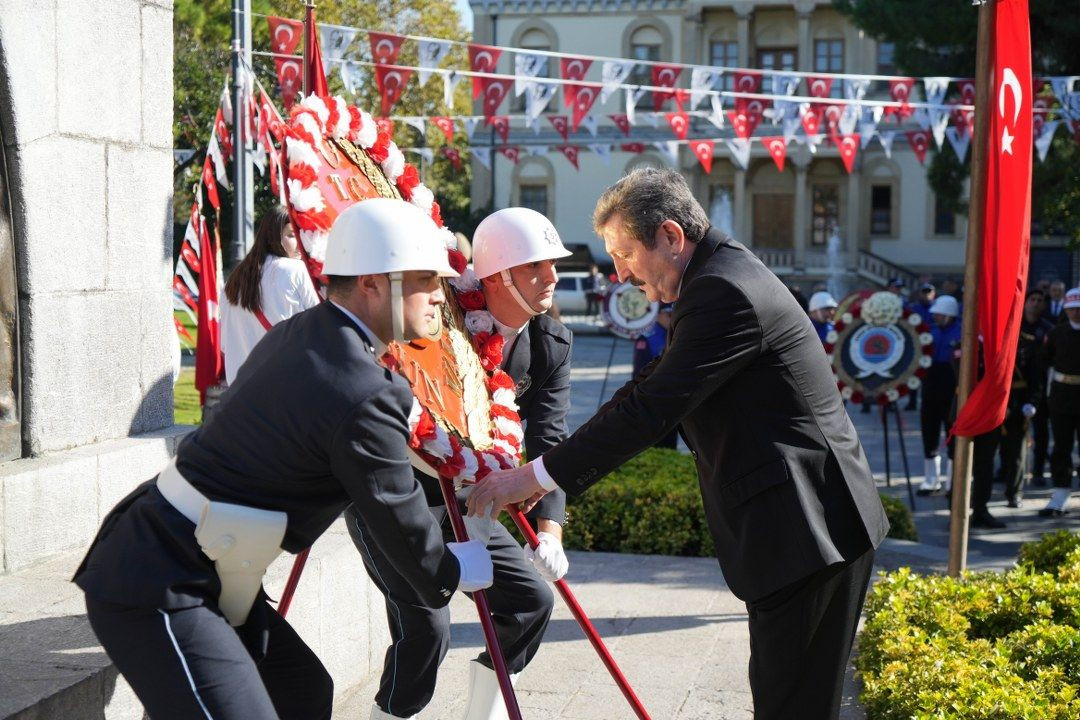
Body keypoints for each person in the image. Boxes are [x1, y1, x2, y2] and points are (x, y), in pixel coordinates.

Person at [467, 168, 889, 720]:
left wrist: (531, 477)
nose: (618, 272)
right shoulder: (716, 276)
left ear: (669, 236)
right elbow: (649, 388)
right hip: (798, 529)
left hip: (810, 529)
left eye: (623, 253)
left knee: (794, 705)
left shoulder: (723, 289)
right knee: (784, 696)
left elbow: (652, 410)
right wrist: (546, 473)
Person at [72, 199, 494, 720]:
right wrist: (450, 568)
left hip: (206, 563)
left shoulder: (310, 333)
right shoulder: (362, 386)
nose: (439, 296)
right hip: (162, 575)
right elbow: (396, 512)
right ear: (372, 283)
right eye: (427, 279)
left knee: (301, 691)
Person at [351, 207, 572, 720]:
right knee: (428, 626)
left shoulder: (550, 347)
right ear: (496, 277)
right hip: (397, 491)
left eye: (552, 265)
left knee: (531, 603)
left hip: (472, 501)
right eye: (537, 266)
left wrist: (550, 531)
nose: (553, 277)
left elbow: (549, 443)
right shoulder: (439, 315)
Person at [221, 205, 319, 384]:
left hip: (239, 396)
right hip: (284, 390)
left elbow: (225, 345)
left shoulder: (233, 282)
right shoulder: (296, 270)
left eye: (302, 233)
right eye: (292, 235)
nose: (301, 241)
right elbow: (323, 328)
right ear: (273, 236)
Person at [1039, 286, 1080, 517]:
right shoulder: (1056, 333)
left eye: (1079, 309)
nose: (1076, 313)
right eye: (1072, 308)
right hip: (1062, 395)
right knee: (1061, 446)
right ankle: (1061, 492)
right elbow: (1043, 361)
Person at [917, 295, 962, 495]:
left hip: (953, 389)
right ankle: (930, 480)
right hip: (930, 386)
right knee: (929, 433)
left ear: (950, 314)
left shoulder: (962, 332)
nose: (935, 316)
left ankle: (952, 482)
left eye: (939, 313)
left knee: (953, 435)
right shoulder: (929, 330)